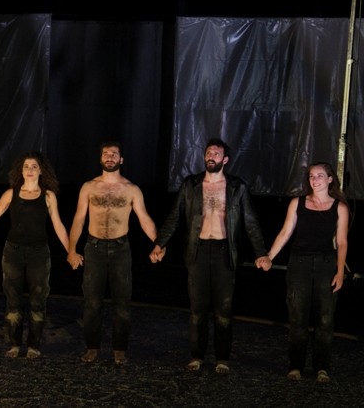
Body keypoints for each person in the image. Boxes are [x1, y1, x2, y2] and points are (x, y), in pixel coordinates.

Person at [150, 137, 272, 374]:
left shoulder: (237, 187)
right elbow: (174, 216)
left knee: (223, 310)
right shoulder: (191, 185)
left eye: (216, 153)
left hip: (225, 252)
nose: (211, 156)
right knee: (197, 309)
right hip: (198, 251)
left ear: (225, 160)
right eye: (208, 152)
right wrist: (159, 244)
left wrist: (261, 253)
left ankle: (222, 358)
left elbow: (251, 222)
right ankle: (196, 356)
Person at [0, 151, 74, 359]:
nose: (30, 170)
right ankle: (14, 344)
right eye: (26, 166)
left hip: (39, 254)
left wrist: (71, 251)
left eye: (34, 166)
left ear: (41, 171)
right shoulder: (10, 194)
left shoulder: (48, 196)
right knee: (13, 301)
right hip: (13, 252)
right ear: (20, 171)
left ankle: (33, 345)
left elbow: (58, 225)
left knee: (38, 301)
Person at [67, 141, 157, 365]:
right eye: (106, 154)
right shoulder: (89, 187)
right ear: (100, 159)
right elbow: (79, 218)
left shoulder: (131, 189)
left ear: (121, 160)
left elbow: (144, 218)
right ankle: (92, 347)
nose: (110, 157)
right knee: (92, 303)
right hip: (94, 248)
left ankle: (119, 350)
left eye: (114, 154)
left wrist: (158, 243)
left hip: (120, 249)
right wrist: (71, 249)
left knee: (122, 303)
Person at [267, 162, 349, 383]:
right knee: (298, 317)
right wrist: (269, 256)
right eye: (312, 176)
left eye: (320, 176)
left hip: (325, 265)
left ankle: (322, 367)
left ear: (330, 179)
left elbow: (342, 242)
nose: (315, 180)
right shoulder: (298, 203)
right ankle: (296, 365)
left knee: (325, 319)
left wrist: (340, 271)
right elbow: (285, 233)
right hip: (299, 265)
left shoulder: (340, 207)